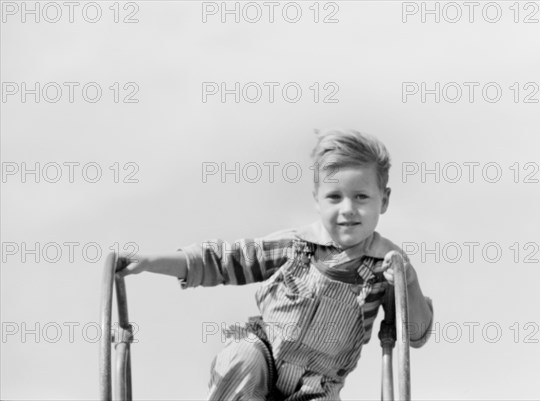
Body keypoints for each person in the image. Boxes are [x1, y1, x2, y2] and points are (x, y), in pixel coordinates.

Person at [116, 129, 434, 400]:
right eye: (335, 197)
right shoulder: (296, 246)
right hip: (262, 355)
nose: (347, 209)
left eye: (361, 197)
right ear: (317, 199)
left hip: (317, 385)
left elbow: (415, 335)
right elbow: (222, 261)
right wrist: (149, 262)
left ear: (385, 199)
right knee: (241, 358)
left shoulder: (387, 267)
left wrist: (408, 284)